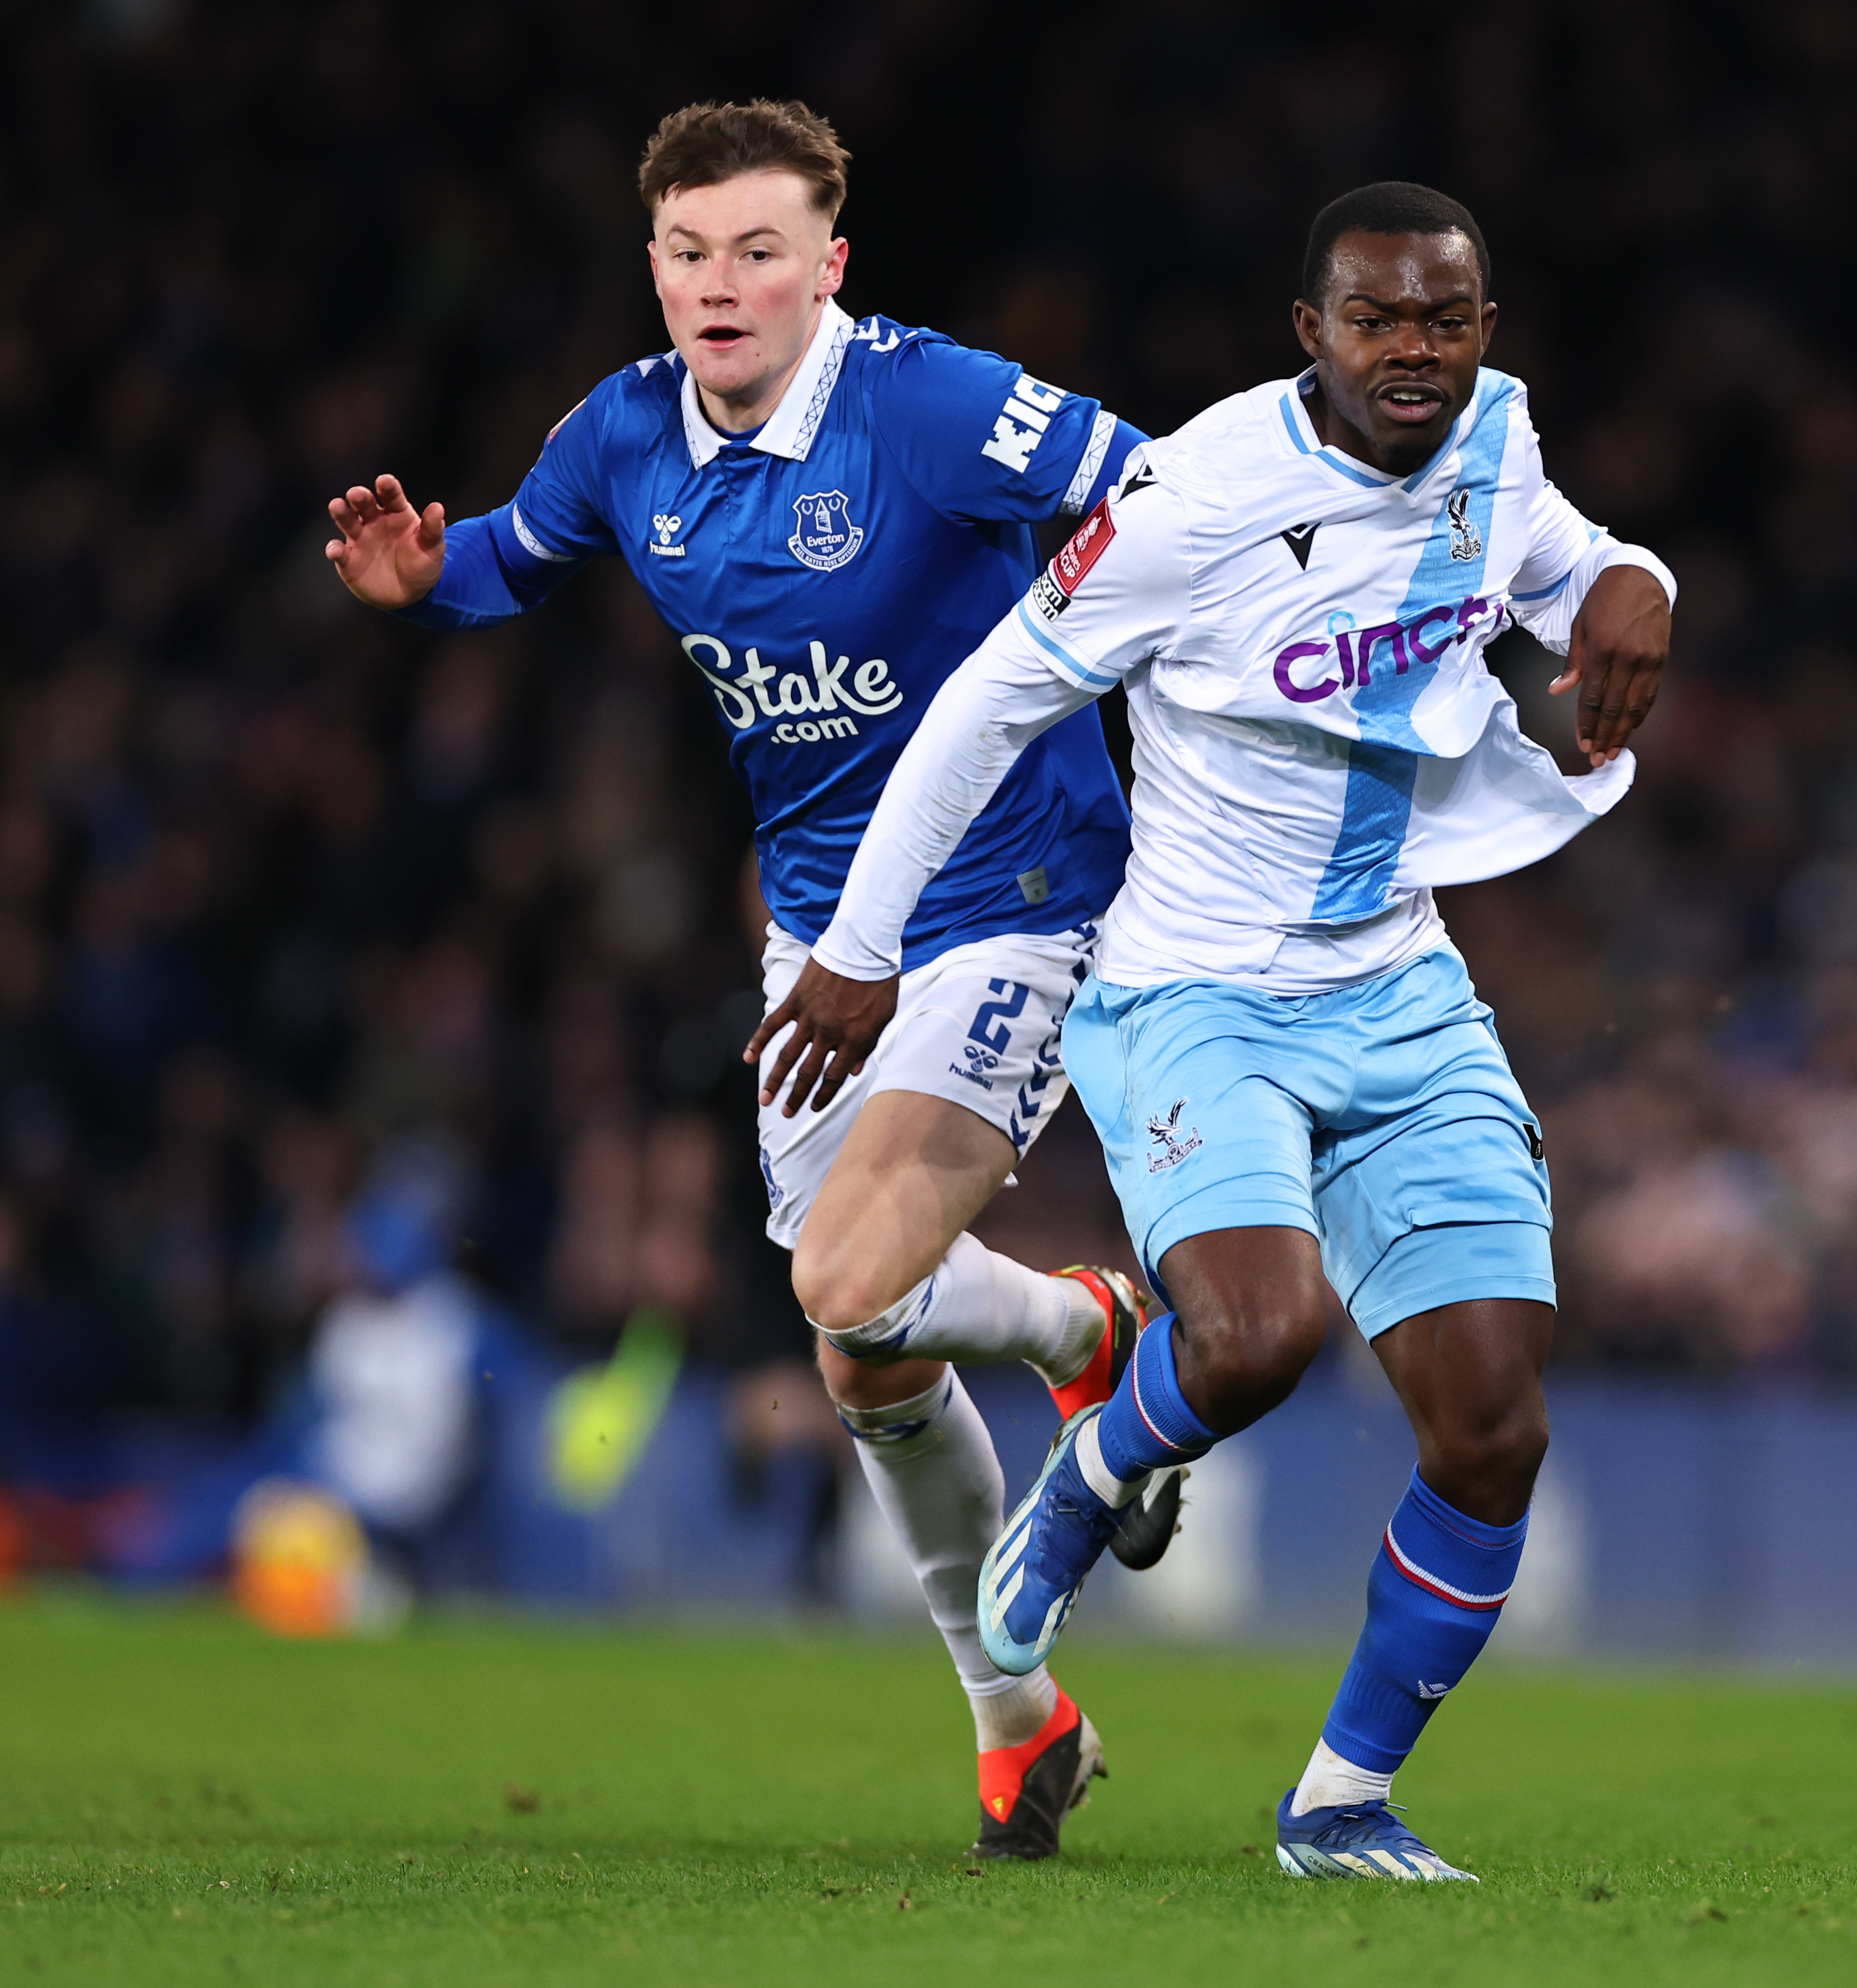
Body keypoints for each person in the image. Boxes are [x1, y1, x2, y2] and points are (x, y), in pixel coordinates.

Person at [753, 181, 1673, 1881]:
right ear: (1306, 330)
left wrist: (1640, 579)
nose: (1416, 352)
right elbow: (991, 698)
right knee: (1254, 1335)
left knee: (1494, 1418)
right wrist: (860, 949)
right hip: (1193, 991)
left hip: (1400, 981)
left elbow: (1573, 560)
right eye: (1378, 319)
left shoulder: (1496, 440)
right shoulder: (1195, 499)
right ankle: (1091, 1474)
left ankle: (1338, 1803)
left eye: (1447, 319)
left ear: (1486, 327)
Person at [319, 98, 1177, 1861]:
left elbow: (1164, 492)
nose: (723, 285)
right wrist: (425, 578)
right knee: (858, 1345)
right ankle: (1026, 1676)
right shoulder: (623, 432)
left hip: (1018, 895)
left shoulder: (930, 403)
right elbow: (506, 554)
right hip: (812, 927)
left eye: (761, 251)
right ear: (655, 267)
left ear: (827, 267)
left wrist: (1110, 651)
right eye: (692, 254)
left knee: (849, 1276)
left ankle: (1082, 1359)